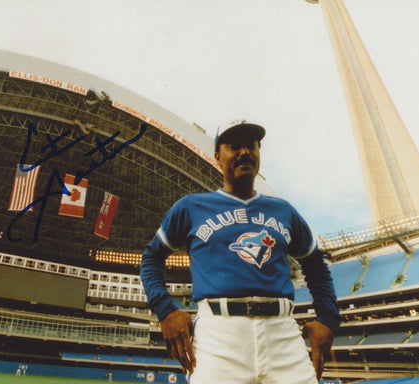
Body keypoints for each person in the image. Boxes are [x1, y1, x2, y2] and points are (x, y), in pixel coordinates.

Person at [141, 120, 340, 384]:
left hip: (282, 335)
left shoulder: (284, 211)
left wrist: (328, 318)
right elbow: (151, 259)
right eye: (235, 146)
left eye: (253, 146)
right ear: (217, 157)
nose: (245, 152)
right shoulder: (191, 207)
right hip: (219, 336)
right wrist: (165, 309)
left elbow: (316, 266)